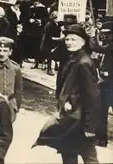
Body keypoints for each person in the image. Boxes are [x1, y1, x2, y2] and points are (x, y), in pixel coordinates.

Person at [35, 24, 100, 164]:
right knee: (70, 153)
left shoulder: (83, 63)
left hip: (79, 119)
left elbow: (92, 96)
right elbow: (53, 55)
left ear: (83, 42)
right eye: (67, 39)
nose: (69, 42)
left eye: (73, 39)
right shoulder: (72, 58)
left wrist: (90, 126)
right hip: (71, 118)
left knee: (86, 155)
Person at [0, 37, 23, 123]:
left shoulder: (15, 68)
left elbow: (18, 90)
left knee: (6, 133)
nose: (1, 54)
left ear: (10, 52)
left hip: (9, 107)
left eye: (5, 51)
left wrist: (16, 106)